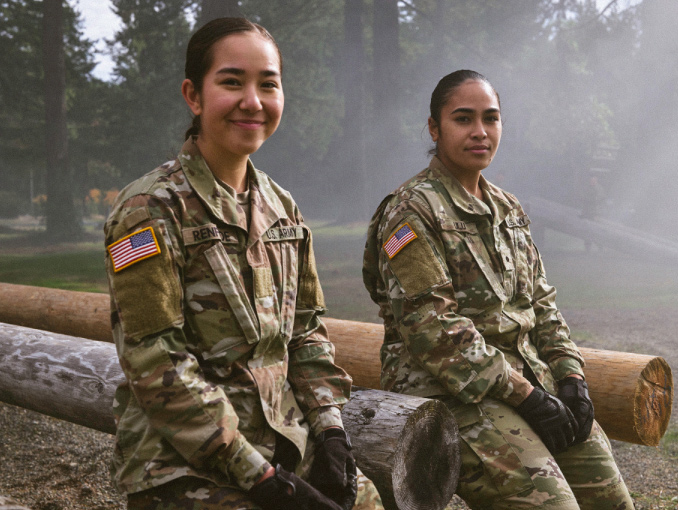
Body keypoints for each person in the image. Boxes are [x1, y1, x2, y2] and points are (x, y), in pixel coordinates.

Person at [104, 17, 383, 510]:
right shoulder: (149, 209)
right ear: (194, 95)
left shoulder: (283, 209)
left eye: (267, 84)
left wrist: (331, 432)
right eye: (232, 82)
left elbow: (306, 334)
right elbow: (157, 366)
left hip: (285, 447)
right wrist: (261, 478)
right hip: (183, 468)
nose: (252, 101)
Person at [362, 70, 633, 510]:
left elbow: (542, 304)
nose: (480, 132)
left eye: (491, 118)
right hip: (451, 393)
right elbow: (432, 329)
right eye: (463, 119)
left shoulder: (508, 209)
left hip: (528, 384)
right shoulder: (410, 212)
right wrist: (528, 396)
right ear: (435, 127)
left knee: (612, 500)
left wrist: (571, 377)